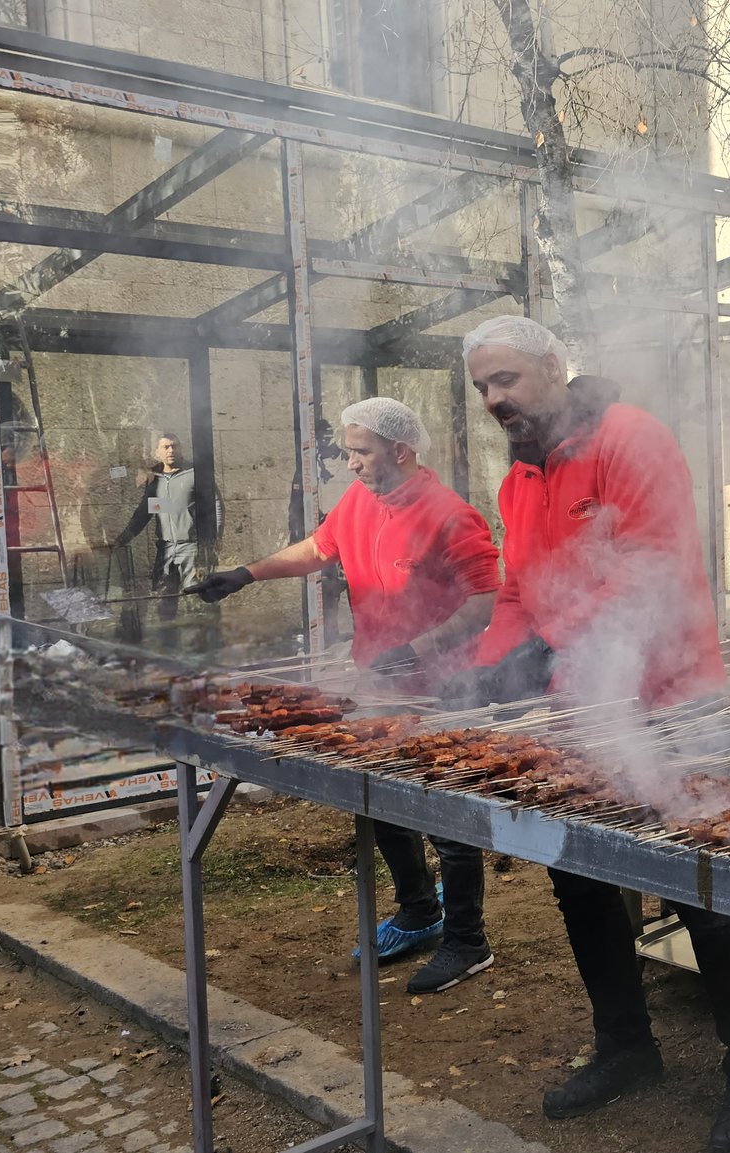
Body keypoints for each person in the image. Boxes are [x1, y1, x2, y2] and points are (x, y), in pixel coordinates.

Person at [446, 315, 730, 1153]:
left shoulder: (631, 439)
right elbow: (520, 591)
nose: (494, 398)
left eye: (508, 380)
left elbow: (653, 570)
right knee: (582, 878)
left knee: (696, 883)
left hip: (671, 703)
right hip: (580, 709)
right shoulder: (517, 480)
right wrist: (495, 666)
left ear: (555, 367)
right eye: (483, 386)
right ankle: (626, 1045)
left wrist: (548, 648)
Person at [190, 398, 503, 995]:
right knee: (378, 801)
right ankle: (419, 911)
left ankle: (469, 941)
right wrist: (246, 574)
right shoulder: (360, 500)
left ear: (400, 451)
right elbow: (317, 549)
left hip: (442, 688)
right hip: (376, 681)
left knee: (448, 816)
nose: (350, 462)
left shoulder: (451, 516)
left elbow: (485, 602)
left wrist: (418, 647)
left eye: (360, 451)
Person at [110, 433, 222, 630]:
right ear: (157, 452)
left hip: (191, 548)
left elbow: (216, 506)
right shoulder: (155, 480)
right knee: (164, 602)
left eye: (175, 446)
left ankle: (207, 645)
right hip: (165, 550)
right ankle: (171, 646)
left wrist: (215, 540)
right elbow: (146, 512)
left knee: (198, 600)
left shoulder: (195, 474)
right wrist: (123, 538)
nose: (171, 450)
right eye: (166, 447)